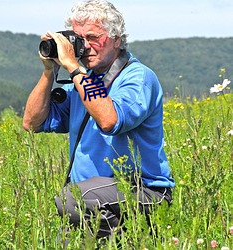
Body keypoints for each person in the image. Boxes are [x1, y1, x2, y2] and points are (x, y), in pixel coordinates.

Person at [23, 0, 175, 244]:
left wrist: (73, 67)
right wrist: (49, 70)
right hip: (93, 199)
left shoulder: (137, 77)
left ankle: (129, 241)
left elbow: (109, 120)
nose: (85, 47)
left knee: (71, 199)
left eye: (93, 37)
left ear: (116, 39)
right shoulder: (85, 82)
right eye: (79, 39)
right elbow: (32, 123)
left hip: (143, 192)